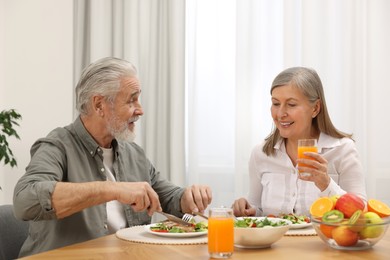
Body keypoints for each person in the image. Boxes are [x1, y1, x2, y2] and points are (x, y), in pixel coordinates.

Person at [13, 57, 212, 257]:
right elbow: (25, 200)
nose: (140, 110)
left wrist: (187, 198)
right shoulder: (57, 146)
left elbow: (169, 197)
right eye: (131, 99)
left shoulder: (133, 154)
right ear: (99, 105)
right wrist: (112, 189)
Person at [232, 67, 367, 217]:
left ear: (315, 108)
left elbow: (361, 214)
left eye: (291, 104)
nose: (281, 113)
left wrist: (326, 184)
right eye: (276, 103)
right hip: (275, 241)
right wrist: (248, 210)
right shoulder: (261, 153)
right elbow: (258, 210)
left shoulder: (343, 150)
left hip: (320, 240)